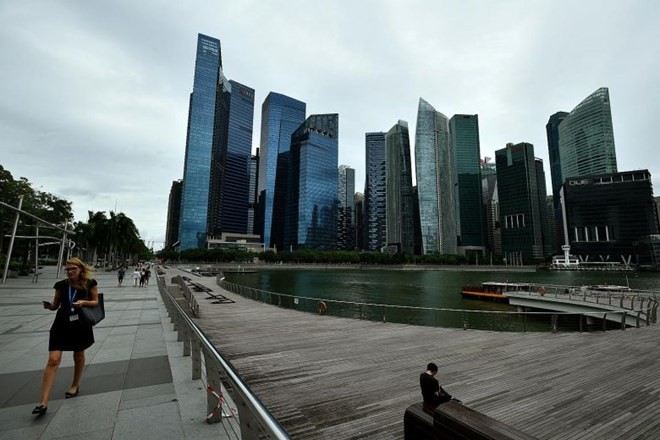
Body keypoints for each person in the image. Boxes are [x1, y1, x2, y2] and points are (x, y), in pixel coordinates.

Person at [32, 257, 99, 416]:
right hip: (61, 324)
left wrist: (83, 302)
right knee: (53, 359)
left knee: (79, 354)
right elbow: (56, 305)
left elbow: (95, 301)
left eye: (73, 269)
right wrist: (50, 306)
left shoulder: (90, 283)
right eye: (67, 269)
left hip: (80, 324)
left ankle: (75, 385)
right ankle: (43, 402)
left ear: (80, 270)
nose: (69, 272)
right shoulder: (61, 285)